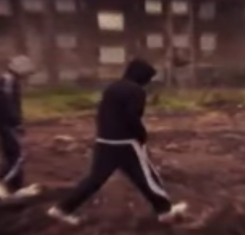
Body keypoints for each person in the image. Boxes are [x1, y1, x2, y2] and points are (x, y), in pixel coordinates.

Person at [47, 58, 187, 226]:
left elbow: (102, 114)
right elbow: (132, 117)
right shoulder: (136, 91)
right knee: (147, 176)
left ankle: (62, 209)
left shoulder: (112, 87)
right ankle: (165, 211)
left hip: (105, 140)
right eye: (148, 78)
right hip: (125, 142)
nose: (148, 82)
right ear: (141, 76)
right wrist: (141, 135)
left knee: (95, 180)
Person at [0, 54, 41, 200]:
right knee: (17, 156)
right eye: (26, 72)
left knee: (12, 155)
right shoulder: (7, 81)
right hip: (5, 124)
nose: (26, 76)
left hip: (4, 123)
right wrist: (16, 123)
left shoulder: (9, 80)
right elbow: (7, 105)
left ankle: (15, 187)